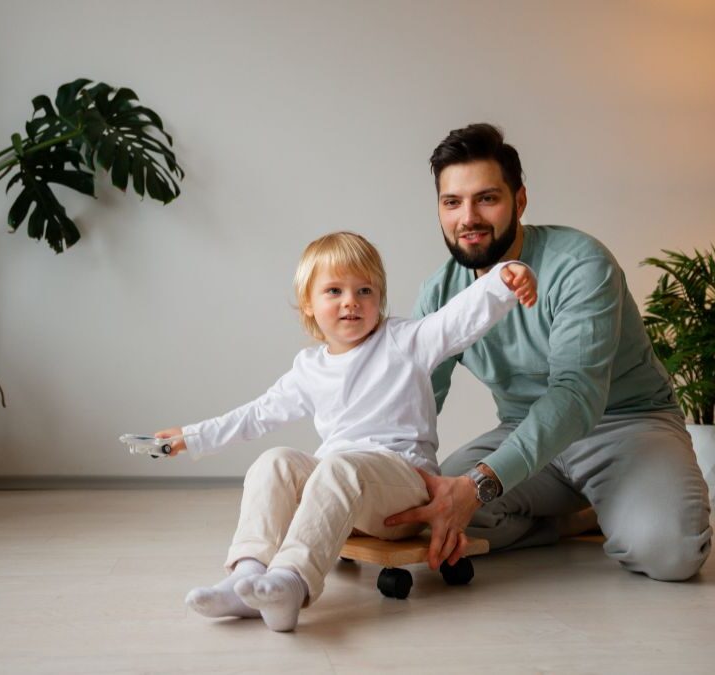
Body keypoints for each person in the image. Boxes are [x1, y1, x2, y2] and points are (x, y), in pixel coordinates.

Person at [155, 231, 537, 631]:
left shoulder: (406, 341)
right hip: (338, 486)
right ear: (309, 304)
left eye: (364, 290)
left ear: (380, 299)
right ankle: (245, 576)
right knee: (275, 462)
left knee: (339, 466)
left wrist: (506, 277)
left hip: (403, 486)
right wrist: (191, 436)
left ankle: (292, 581)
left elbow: (460, 317)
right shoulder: (309, 367)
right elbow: (257, 414)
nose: (351, 301)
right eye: (334, 290)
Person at [384, 123, 712, 581]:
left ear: (519, 201)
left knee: (669, 555)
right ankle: (572, 519)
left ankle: (619, 501)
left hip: (625, 426)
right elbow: (413, 399)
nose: (468, 218)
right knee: (421, 516)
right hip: (524, 436)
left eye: (487, 198)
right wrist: (361, 476)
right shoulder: (439, 291)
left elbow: (576, 395)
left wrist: (478, 485)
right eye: (452, 202)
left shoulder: (580, 263)